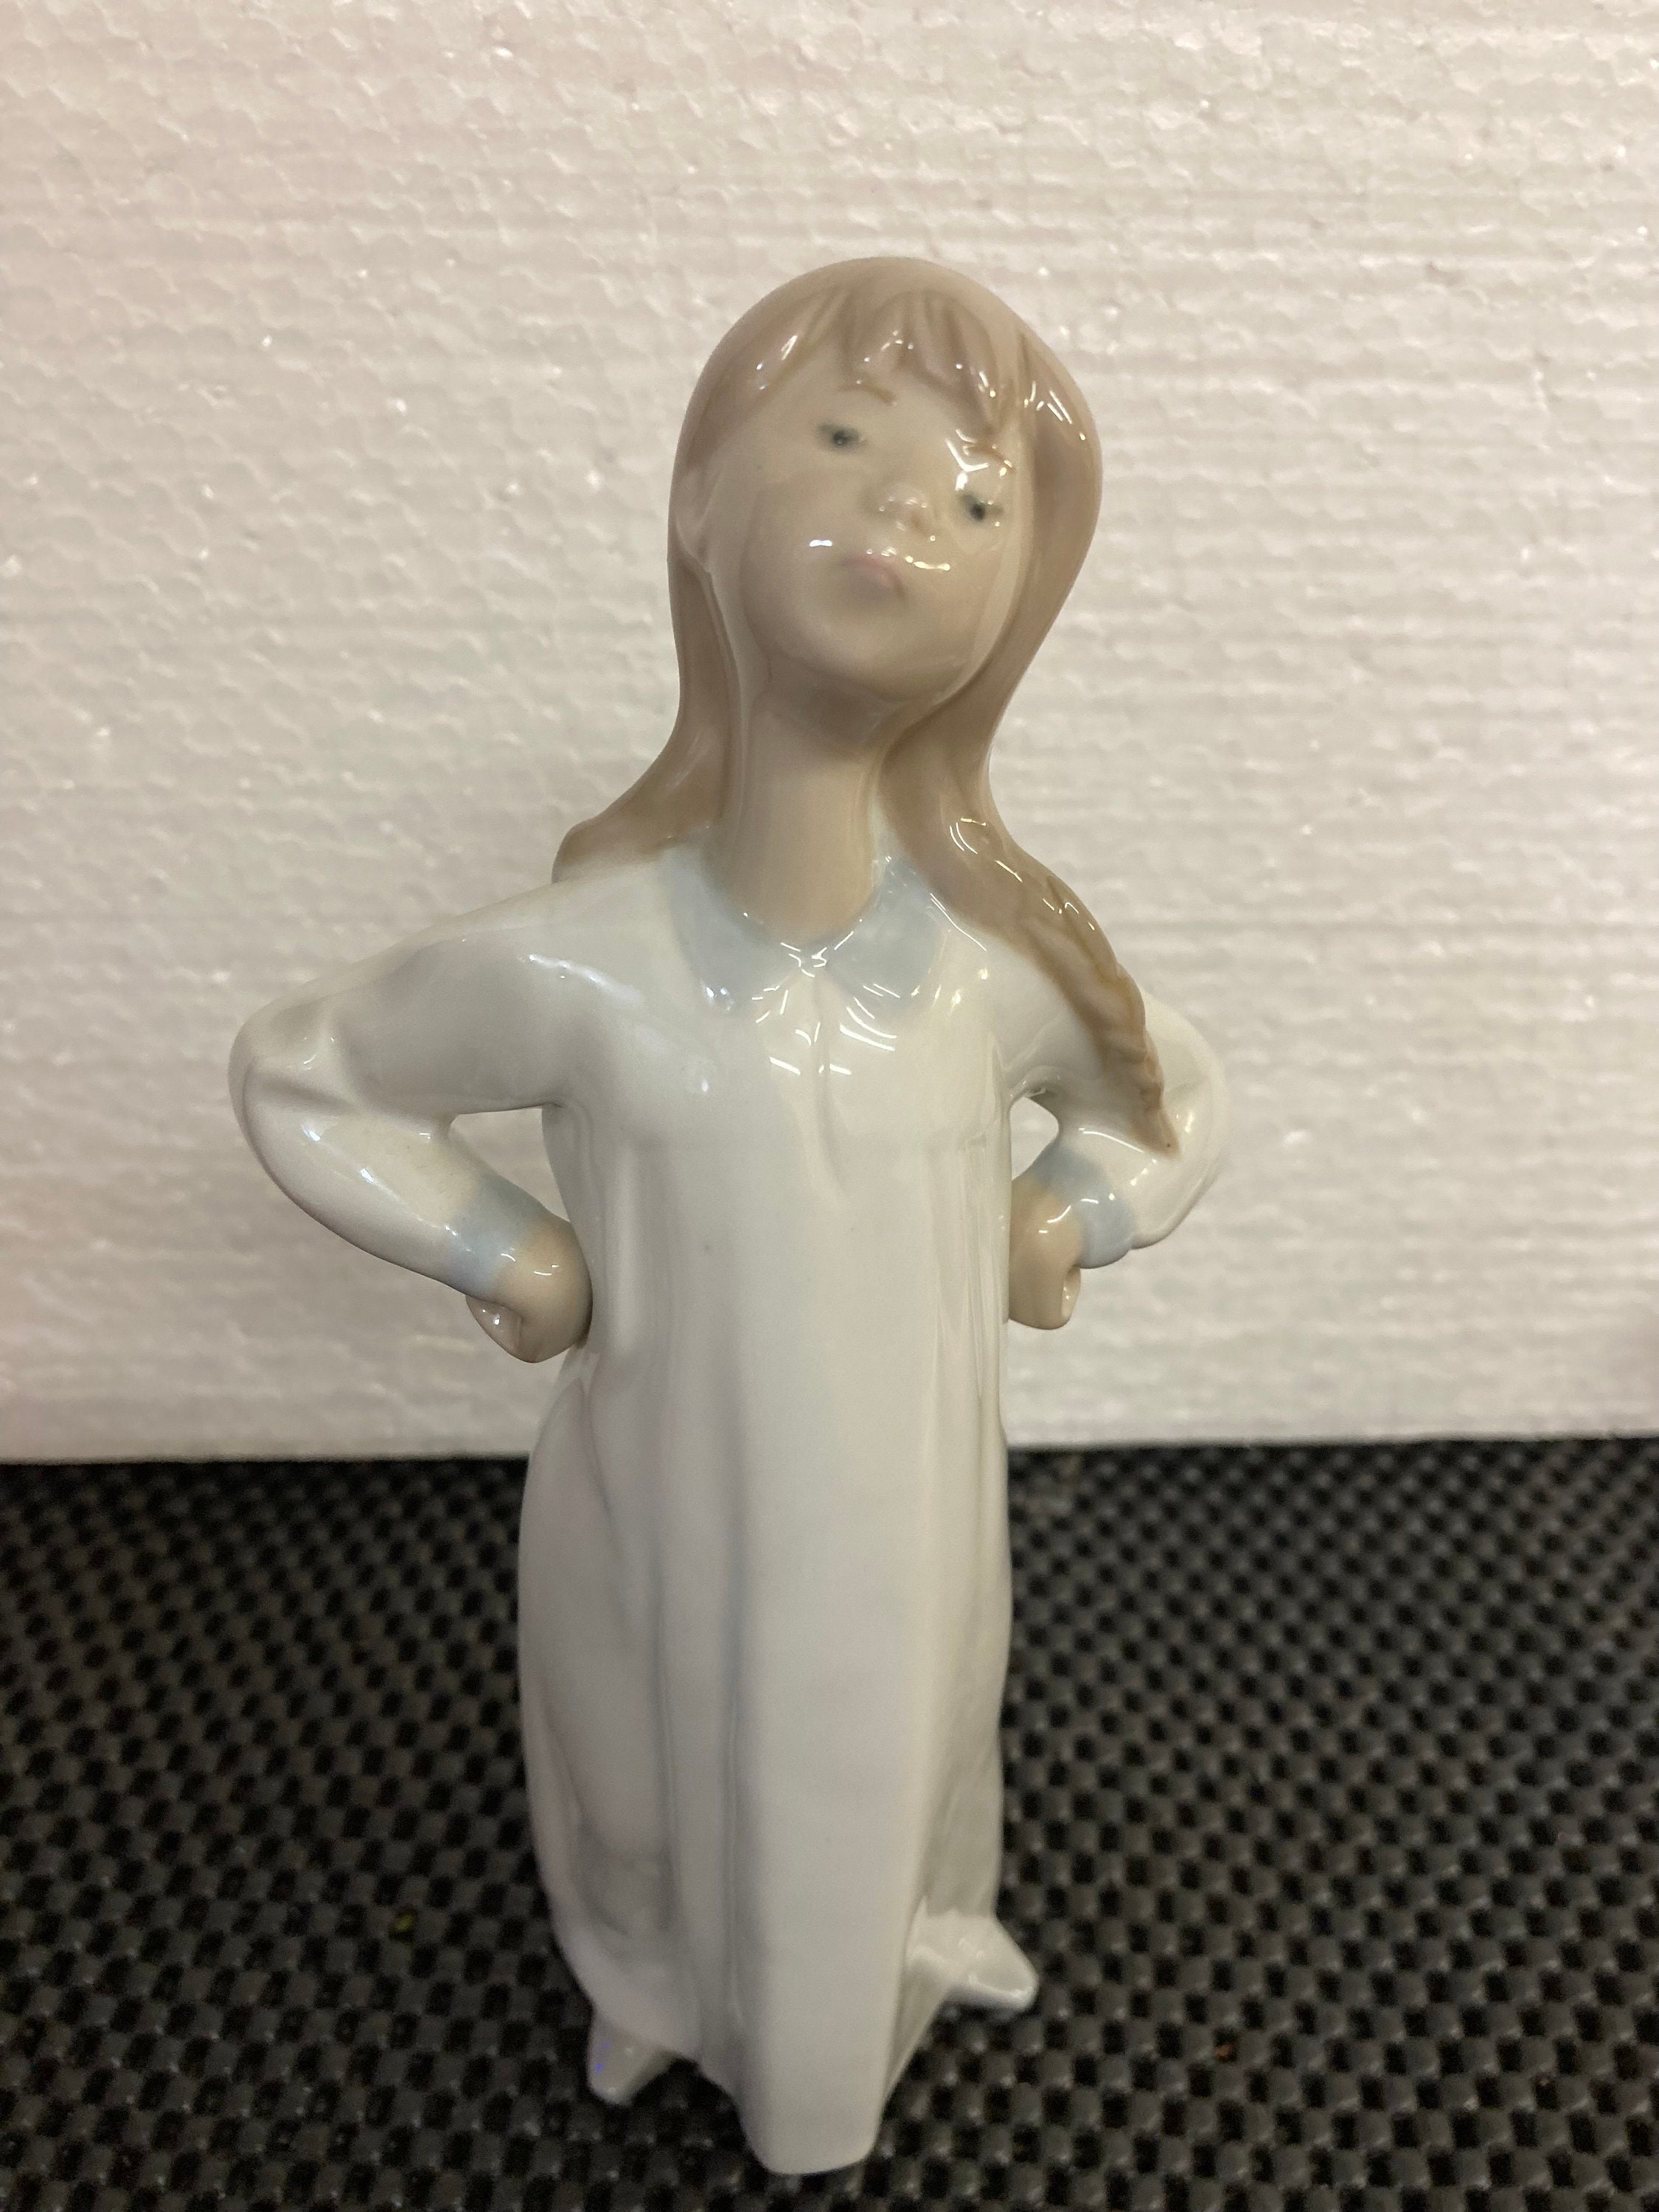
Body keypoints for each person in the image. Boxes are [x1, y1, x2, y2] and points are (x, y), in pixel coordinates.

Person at [229, 257, 1226, 2174]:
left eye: (976, 502)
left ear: (1019, 598)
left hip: (911, 1516)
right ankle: (659, 1977)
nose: (901, 510)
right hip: (661, 1501)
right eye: (842, 438)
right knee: (648, 1778)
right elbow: (306, 1071)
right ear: (699, 502)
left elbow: (1167, 1097)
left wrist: (1068, 1217)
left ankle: (911, 1949)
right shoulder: (586, 963)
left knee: (913, 1742)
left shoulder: (990, 969)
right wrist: (505, 1250)